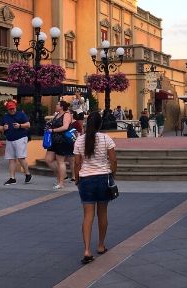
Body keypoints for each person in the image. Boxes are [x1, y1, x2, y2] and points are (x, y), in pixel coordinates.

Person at [73, 112, 117, 265]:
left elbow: (77, 163)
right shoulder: (106, 139)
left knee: (88, 216)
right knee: (102, 213)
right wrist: (112, 174)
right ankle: (100, 245)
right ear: (100, 124)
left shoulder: (79, 140)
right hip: (103, 178)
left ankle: (86, 250)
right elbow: (113, 159)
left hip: (86, 179)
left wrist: (77, 179)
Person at [0, 100, 32, 186]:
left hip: (20, 138)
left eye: (13, 108)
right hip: (9, 139)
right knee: (11, 159)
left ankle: (27, 173)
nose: (12, 110)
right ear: (7, 109)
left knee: (21, 157)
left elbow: (28, 124)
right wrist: (3, 127)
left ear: (15, 107)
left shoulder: (21, 114)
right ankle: (12, 178)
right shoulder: (5, 116)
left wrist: (20, 125)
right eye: (10, 109)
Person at [45, 100, 74, 189]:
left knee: (60, 161)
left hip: (62, 140)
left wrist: (53, 130)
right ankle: (62, 176)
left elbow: (65, 127)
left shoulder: (67, 115)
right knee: (48, 160)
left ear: (61, 107)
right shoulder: (57, 115)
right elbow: (53, 124)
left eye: (57, 104)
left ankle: (61, 183)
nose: (56, 105)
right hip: (54, 140)